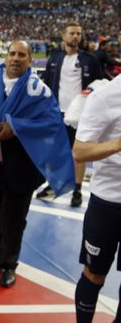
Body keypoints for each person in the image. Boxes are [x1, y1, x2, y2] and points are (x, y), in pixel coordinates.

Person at [0, 40, 72, 288]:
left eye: (22, 55)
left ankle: (9, 263)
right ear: (5, 57)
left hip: (22, 162)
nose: (16, 58)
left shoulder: (37, 89)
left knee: (15, 217)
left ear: (30, 60)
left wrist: (16, 128)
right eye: (12, 54)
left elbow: (52, 122)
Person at [72, 74, 121, 323]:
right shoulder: (105, 96)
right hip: (108, 203)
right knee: (94, 274)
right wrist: (118, 144)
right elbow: (80, 151)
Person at [39, 22, 103, 207]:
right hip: (56, 113)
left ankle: (77, 189)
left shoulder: (89, 59)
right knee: (54, 153)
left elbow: (99, 85)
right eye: (72, 33)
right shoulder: (55, 58)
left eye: (78, 33)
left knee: (78, 154)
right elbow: (47, 85)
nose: (75, 36)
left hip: (79, 117)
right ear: (63, 35)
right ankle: (53, 185)